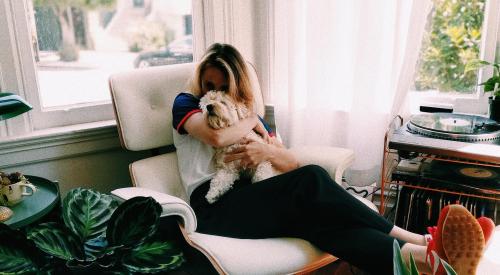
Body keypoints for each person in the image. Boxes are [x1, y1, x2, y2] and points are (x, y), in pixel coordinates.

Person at [172, 43, 494, 274]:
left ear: (237, 86)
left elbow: (289, 164)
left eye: (223, 86)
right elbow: (216, 136)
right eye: (208, 84)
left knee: (323, 226)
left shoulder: (247, 114)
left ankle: (428, 261)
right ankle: (416, 239)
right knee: (312, 177)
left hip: (253, 198)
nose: (212, 92)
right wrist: (254, 121)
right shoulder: (187, 103)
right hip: (212, 206)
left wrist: (267, 149)